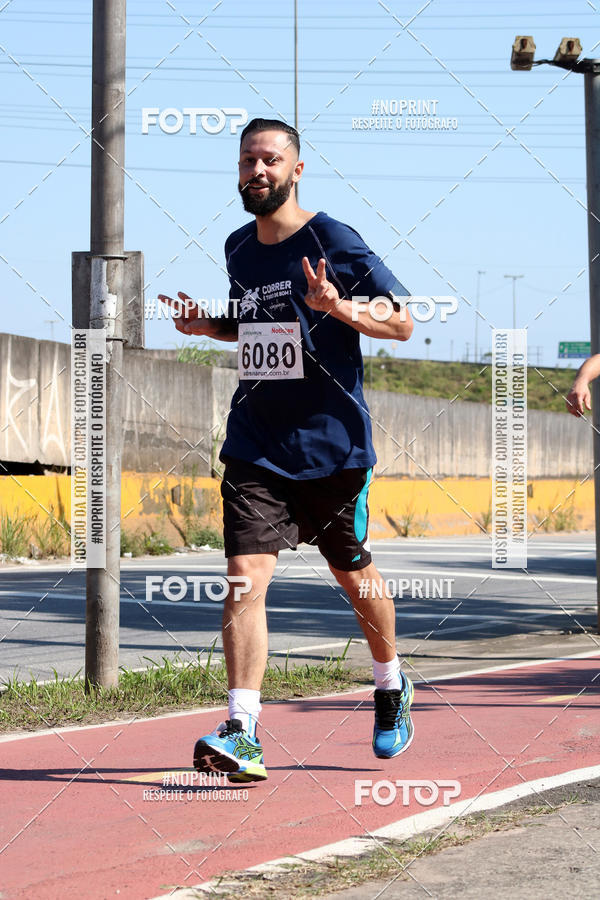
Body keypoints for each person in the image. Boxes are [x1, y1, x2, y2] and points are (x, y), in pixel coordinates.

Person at [159, 117, 415, 783]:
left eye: (270, 159)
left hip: (332, 445)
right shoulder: (238, 248)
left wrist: (339, 308)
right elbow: (255, 329)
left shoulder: (331, 238)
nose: (258, 171)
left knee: (353, 574)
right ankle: (242, 729)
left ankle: (390, 683)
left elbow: (402, 320)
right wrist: (205, 325)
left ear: (296, 169)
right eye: (248, 160)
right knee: (244, 575)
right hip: (256, 444)